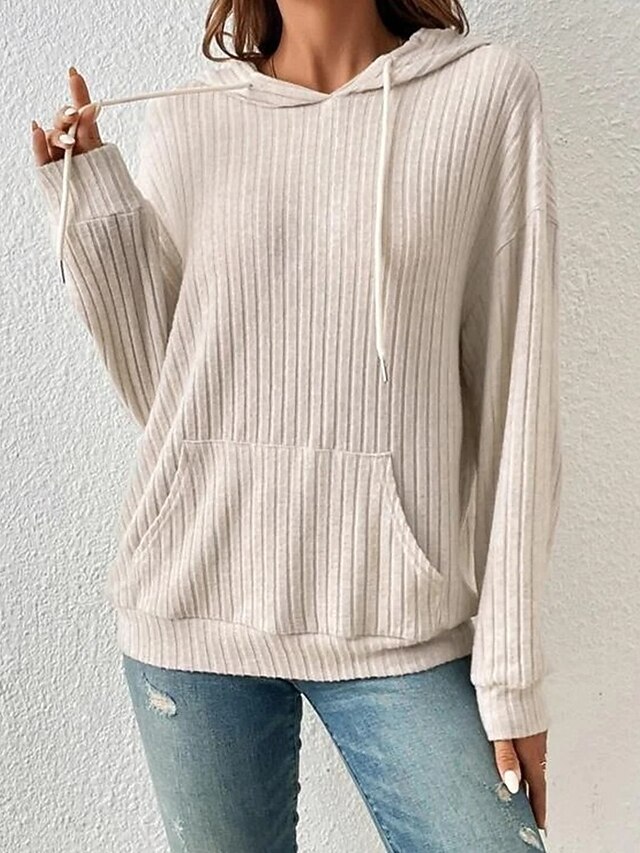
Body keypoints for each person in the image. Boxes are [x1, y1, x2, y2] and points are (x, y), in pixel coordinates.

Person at [31, 1, 561, 850]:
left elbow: (517, 391)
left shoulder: (484, 94)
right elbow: (170, 397)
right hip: (193, 605)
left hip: (396, 618)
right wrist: (95, 207)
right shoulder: (193, 115)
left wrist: (512, 676)